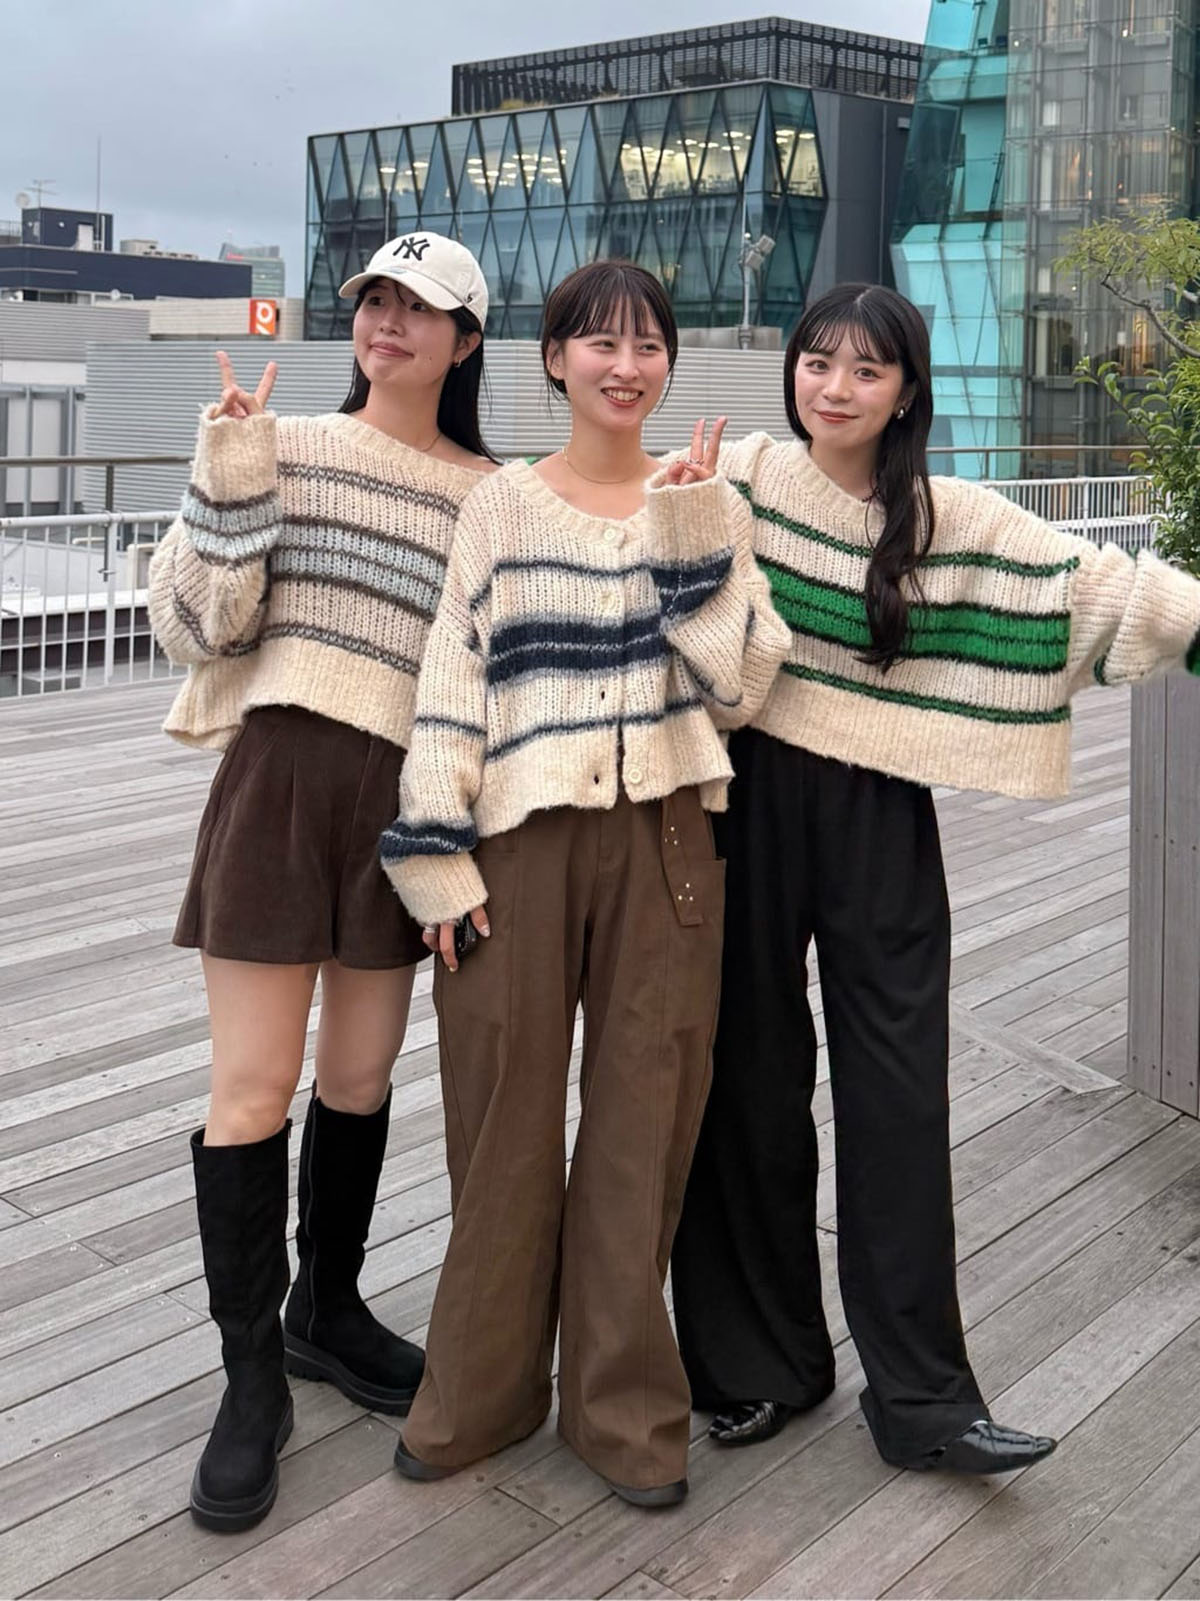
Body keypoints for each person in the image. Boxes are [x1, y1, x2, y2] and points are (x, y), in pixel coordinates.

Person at [663, 282, 1200, 1474]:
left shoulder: (945, 515)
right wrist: (673, 517)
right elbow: (623, 558)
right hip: (741, 799)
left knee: (899, 1093)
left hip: (880, 807)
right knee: (745, 1077)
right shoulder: (738, 476)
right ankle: (756, 1364)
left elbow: (1091, 586)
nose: (835, 387)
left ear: (906, 390)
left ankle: (922, 1400)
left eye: (867, 368)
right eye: (818, 361)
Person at [378, 259, 790, 1507]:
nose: (626, 364)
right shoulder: (500, 506)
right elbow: (452, 678)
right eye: (598, 341)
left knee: (643, 1122)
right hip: (517, 843)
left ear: (669, 363)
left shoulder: (705, 503)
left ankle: (620, 1410)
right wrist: (434, 853)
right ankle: (481, 1390)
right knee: (501, 1114)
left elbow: (744, 684)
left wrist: (694, 543)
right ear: (553, 358)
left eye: (647, 342)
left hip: (668, 841)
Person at [146, 232, 497, 1532]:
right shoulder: (278, 443)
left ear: (467, 340)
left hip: (404, 804)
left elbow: (497, 674)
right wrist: (230, 476)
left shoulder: (492, 495)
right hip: (281, 779)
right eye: (374, 301)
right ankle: (252, 1380)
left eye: (419, 308)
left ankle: (326, 1309)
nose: (388, 322)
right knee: (250, 1089)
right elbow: (195, 626)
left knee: (357, 1076)